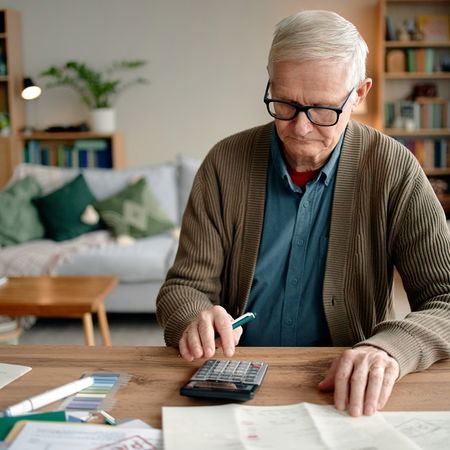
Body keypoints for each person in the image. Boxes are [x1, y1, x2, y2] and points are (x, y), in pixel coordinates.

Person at [157, 10, 450, 417]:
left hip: (349, 387)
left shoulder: (394, 168)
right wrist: (194, 316)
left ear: (359, 94)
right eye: (285, 103)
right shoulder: (225, 162)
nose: (300, 128)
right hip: (231, 381)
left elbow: (446, 298)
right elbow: (183, 287)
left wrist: (390, 348)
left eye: (322, 110)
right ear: (271, 81)